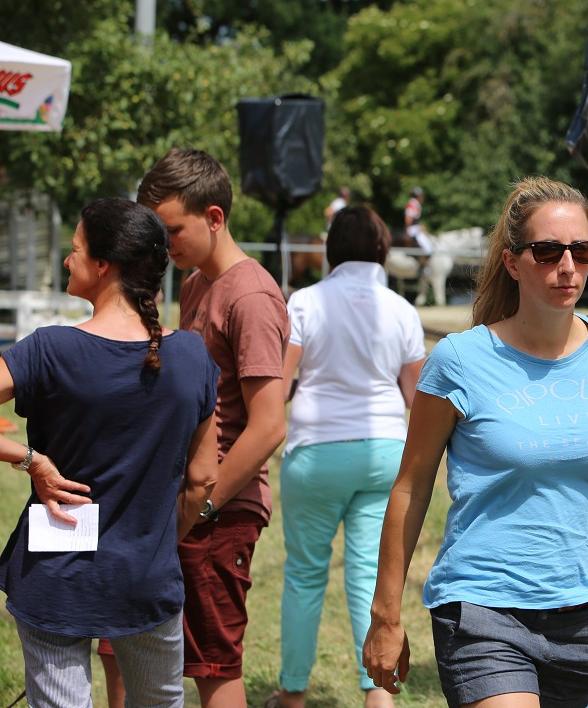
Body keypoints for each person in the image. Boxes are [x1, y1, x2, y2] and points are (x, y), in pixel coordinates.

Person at [362, 176, 588, 707]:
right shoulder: (459, 360)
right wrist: (386, 615)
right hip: (482, 610)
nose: (568, 266)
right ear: (513, 262)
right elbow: (412, 486)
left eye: (582, 250)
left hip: (584, 616)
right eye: (547, 251)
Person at [0, 198, 219, 708]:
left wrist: (29, 460)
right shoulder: (190, 357)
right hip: (148, 578)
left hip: (54, 577)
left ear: (103, 265)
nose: (66, 260)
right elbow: (204, 478)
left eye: (74, 250)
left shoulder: (49, 349)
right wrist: (156, 540)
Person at [99, 148, 290, 708]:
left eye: (172, 229)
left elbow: (268, 424)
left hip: (219, 510)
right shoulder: (195, 284)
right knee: (120, 645)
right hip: (175, 499)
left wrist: (200, 506)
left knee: (211, 663)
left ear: (214, 218)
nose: (163, 243)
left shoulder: (250, 294)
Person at [270, 206, 426, 708]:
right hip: (383, 451)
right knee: (368, 575)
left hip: (316, 451)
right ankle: (377, 696)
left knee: (304, 575)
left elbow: (281, 383)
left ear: (331, 250)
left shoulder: (305, 302)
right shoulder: (401, 309)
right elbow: (415, 397)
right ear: (383, 250)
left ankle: (293, 693)